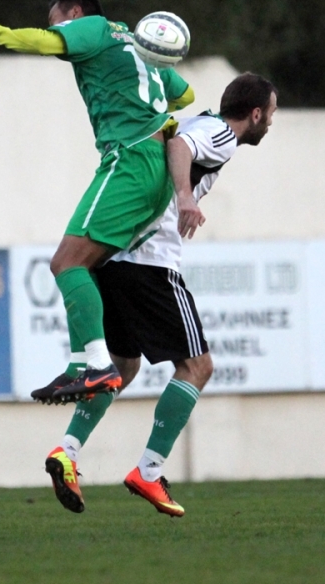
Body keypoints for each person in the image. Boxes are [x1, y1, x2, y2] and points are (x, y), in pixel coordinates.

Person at [41, 73, 278, 516]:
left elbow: (168, 138)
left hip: (117, 261)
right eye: (273, 112)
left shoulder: (194, 121)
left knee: (122, 368)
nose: (272, 122)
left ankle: (66, 453)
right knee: (197, 366)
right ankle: (147, 473)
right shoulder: (220, 133)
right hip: (151, 264)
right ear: (256, 113)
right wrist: (186, 198)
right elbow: (178, 148)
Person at [0, 0, 196, 401]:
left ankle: (96, 364)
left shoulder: (93, 28)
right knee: (84, 266)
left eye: (57, 18)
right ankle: (80, 363)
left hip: (129, 157)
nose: (57, 28)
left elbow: (44, 41)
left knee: (64, 262)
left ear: (74, 11)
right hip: (155, 165)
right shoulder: (137, 42)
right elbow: (185, 95)